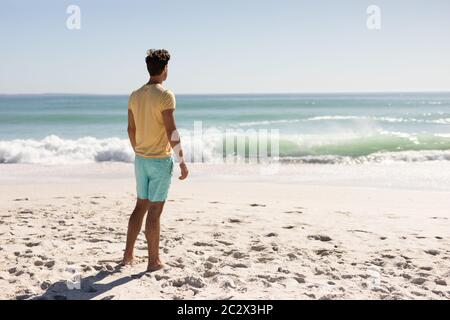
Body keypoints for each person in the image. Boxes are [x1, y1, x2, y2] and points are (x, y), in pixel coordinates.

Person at [122, 49, 188, 272]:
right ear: (165, 69)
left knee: (140, 206)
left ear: (149, 68)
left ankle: (128, 256)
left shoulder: (135, 95)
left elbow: (130, 129)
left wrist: (139, 150)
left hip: (141, 159)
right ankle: (153, 261)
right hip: (160, 161)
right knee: (155, 211)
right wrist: (182, 160)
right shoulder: (165, 95)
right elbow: (171, 130)